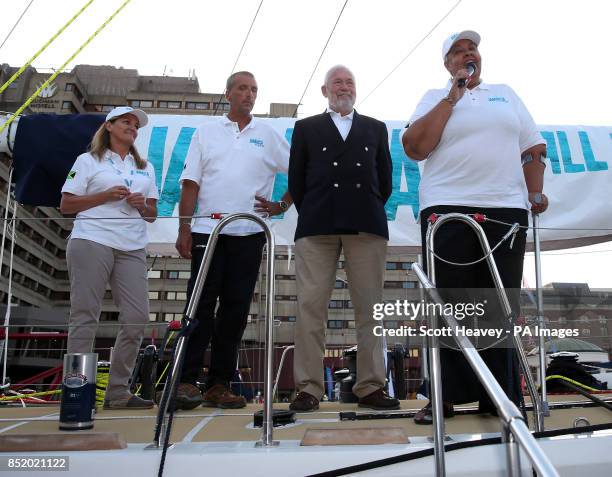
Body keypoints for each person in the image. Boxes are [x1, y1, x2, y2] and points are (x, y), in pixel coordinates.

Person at [402, 30, 548, 424]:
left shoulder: (506, 93)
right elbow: (416, 147)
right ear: (447, 65)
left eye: (472, 49)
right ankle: (444, 395)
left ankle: (499, 396)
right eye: (458, 52)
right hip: (446, 205)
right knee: (450, 303)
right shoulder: (435, 97)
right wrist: (453, 96)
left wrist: (535, 191)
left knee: (499, 305)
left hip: (504, 208)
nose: (468, 55)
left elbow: (532, 148)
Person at [174, 71, 292, 410]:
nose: (249, 94)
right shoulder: (206, 132)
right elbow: (190, 183)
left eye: (254, 89)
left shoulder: (268, 135)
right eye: (242, 88)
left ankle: (219, 384)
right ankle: (185, 380)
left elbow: (300, 169)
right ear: (227, 94)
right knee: (199, 307)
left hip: (249, 233)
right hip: (206, 233)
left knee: (236, 310)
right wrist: (183, 229)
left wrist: (282, 204)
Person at [288, 65, 399, 412]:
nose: (344, 86)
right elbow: (297, 180)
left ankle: (370, 386)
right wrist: (317, 209)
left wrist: (363, 206)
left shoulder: (375, 128)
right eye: (337, 82)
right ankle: (308, 388)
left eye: (349, 81)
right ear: (324, 90)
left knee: (370, 310)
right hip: (317, 225)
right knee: (310, 308)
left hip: (365, 225)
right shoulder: (306, 128)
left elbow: (385, 181)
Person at [60, 106, 159, 409]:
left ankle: (117, 393)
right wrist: (105, 196)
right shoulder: (87, 161)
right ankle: (77, 394)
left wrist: (142, 205)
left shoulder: (146, 167)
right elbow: (66, 205)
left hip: (132, 246)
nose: (132, 127)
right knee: (85, 315)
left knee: (137, 318)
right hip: (91, 239)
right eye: (126, 122)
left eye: (135, 124)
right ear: (110, 126)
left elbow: (153, 215)